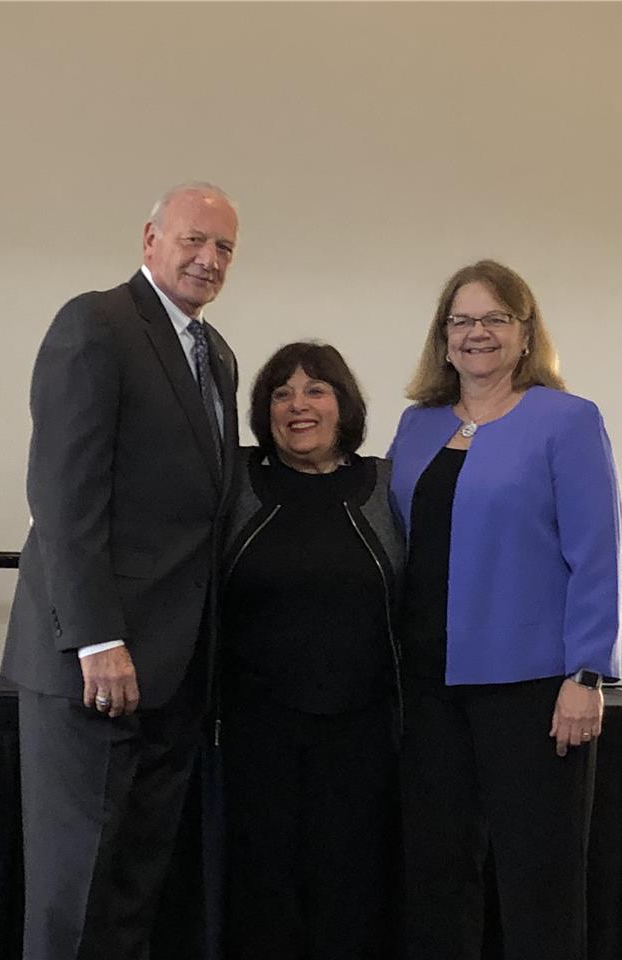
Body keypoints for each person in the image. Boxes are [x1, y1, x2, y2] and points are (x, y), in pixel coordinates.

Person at [1, 182, 240, 960]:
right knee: (76, 895)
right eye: (193, 240)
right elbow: (62, 495)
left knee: (133, 891)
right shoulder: (96, 324)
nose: (208, 259)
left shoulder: (218, 356)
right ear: (149, 240)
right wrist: (98, 638)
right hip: (94, 665)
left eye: (224, 249)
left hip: (174, 671)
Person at [388, 260, 622, 960]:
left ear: (526, 334)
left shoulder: (568, 420)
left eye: (495, 318)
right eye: (461, 320)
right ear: (443, 337)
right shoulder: (418, 426)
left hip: (533, 691)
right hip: (428, 689)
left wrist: (588, 673)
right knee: (437, 880)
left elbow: (596, 551)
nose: (476, 333)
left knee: (538, 884)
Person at [219, 341, 404, 960]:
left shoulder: (386, 485)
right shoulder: (237, 481)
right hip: (251, 734)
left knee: (351, 892)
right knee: (261, 895)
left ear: (343, 404)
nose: (298, 405)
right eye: (281, 393)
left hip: (365, 734)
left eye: (315, 389)